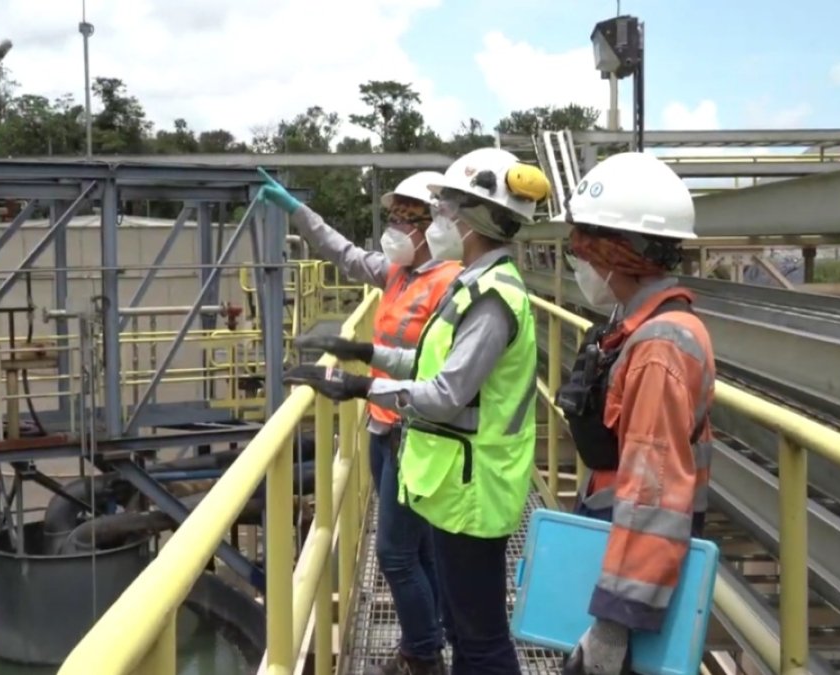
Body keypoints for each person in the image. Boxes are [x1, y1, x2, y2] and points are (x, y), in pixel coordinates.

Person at [284, 147, 551, 675]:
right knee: (467, 625)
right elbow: (428, 359)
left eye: (446, 208)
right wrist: (367, 355)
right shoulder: (473, 284)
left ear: (472, 217)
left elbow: (445, 393)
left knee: (481, 641)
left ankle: (428, 652)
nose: (441, 218)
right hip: (456, 481)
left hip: (478, 488)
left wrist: (362, 387)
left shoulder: (493, 299)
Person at [256, 168, 461, 674]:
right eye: (391, 217)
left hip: (416, 433)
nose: (393, 228)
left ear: (431, 226)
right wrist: (296, 211)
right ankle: (432, 633)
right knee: (421, 553)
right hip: (381, 423)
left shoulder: (451, 284)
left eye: (404, 219)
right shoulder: (397, 272)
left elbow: (441, 372)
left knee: (395, 555)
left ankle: (422, 654)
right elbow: (343, 252)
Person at [552, 152, 715, 675]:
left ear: (616, 253)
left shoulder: (659, 347)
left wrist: (611, 627)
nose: (577, 261)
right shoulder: (635, 326)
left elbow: (654, 492)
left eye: (581, 247)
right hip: (618, 550)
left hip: (637, 580)